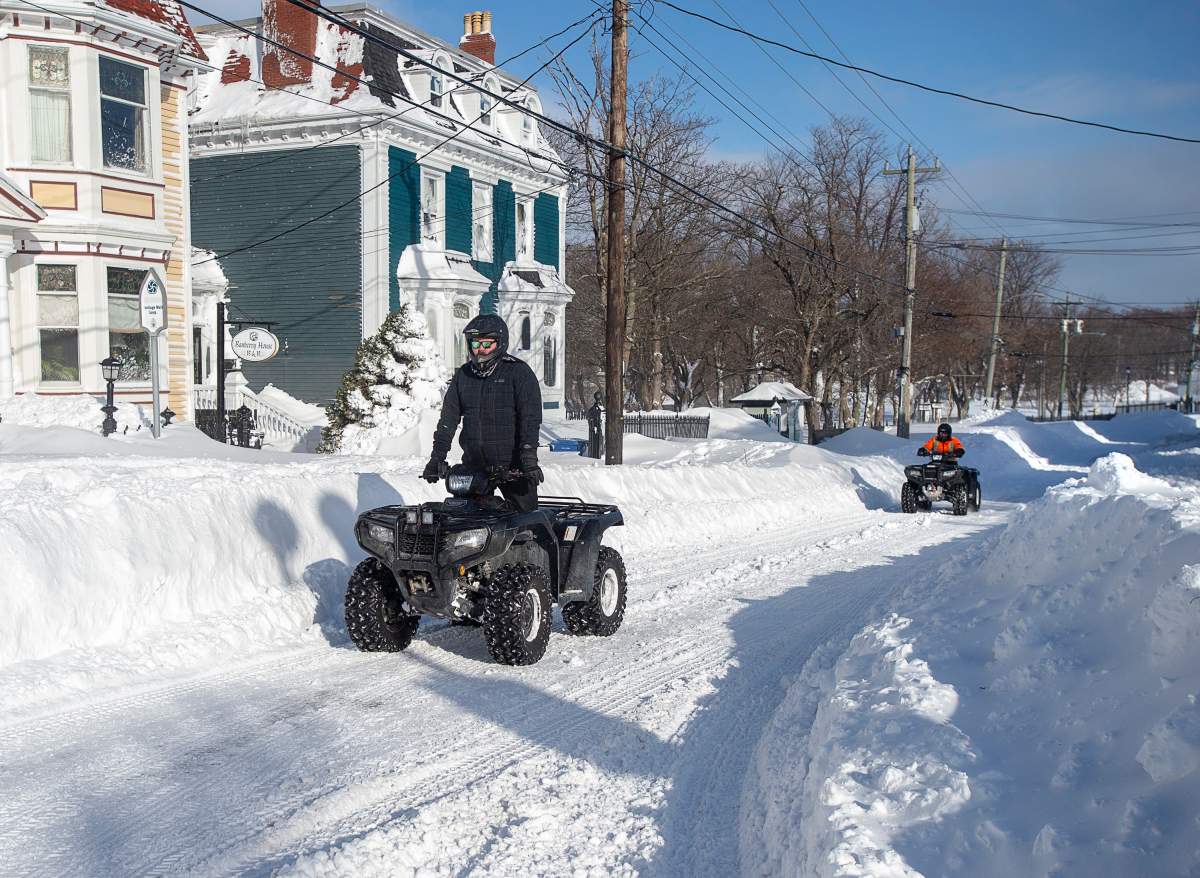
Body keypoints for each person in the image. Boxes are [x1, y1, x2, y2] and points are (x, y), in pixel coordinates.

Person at [423, 314, 543, 512]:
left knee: (526, 521)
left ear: (500, 343)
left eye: (486, 345)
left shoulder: (518, 372)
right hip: (474, 465)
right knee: (465, 520)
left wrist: (529, 458)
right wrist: (437, 458)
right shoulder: (464, 375)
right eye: (475, 344)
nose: (480, 350)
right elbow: (448, 420)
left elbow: (530, 419)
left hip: (513, 467)